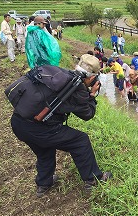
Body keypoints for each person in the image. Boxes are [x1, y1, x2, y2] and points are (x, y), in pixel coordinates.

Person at [10, 54, 112, 197]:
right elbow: (87, 114)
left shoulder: (60, 74)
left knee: (44, 149)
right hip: (39, 128)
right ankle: (93, 179)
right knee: (80, 140)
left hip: (18, 123)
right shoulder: (77, 88)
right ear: (91, 77)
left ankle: (44, 183)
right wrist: (92, 95)